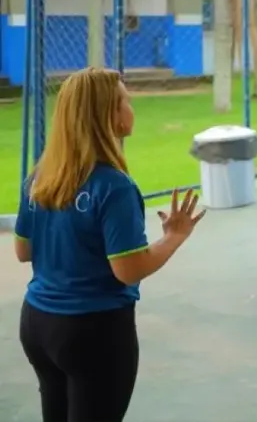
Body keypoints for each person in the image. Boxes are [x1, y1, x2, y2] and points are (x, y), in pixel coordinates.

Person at [14, 68, 204, 422]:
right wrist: (173, 237)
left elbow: (23, 251)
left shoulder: (39, 178)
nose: (131, 108)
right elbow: (128, 270)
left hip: (37, 323)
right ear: (109, 116)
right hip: (92, 331)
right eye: (125, 101)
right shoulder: (114, 187)